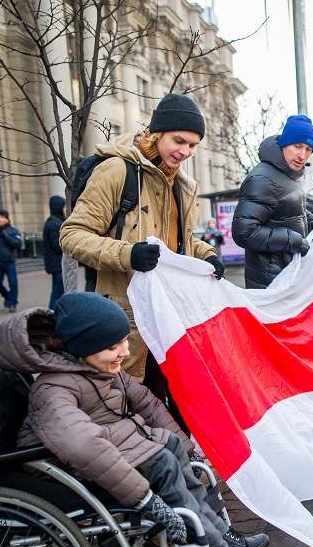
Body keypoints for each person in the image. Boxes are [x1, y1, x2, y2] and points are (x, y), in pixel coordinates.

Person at [0, 293, 274, 547]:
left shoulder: (105, 370)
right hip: (64, 469)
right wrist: (146, 501)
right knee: (162, 462)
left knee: (174, 449)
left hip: (108, 449)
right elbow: (82, 447)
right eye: (113, 346)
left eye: (124, 340)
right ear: (82, 349)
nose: (125, 351)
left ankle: (218, 534)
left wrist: (186, 449)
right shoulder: (54, 389)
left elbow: (149, 404)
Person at [59, 92, 224, 410]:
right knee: (128, 406)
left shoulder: (182, 186)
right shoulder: (117, 171)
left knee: (172, 405)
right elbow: (72, 236)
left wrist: (206, 255)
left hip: (170, 318)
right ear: (156, 132)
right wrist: (128, 254)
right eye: (179, 141)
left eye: (192, 145)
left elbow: (178, 243)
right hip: (127, 322)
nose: (185, 151)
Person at [232, 114, 313, 290]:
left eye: (308, 149)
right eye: (297, 146)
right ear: (284, 144)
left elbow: (284, 208)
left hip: (287, 276)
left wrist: (309, 219)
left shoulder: (288, 175)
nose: (302, 155)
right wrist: (293, 240)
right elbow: (244, 232)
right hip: (270, 283)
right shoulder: (263, 178)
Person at [43, 195, 66, 310]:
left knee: (58, 290)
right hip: (57, 265)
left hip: (56, 264)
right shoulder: (54, 224)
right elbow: (57, 246)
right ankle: (52, 313)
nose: (66, 209)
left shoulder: (55, 222)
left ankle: (52, 313)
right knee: (58, 291)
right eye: (64, 206)